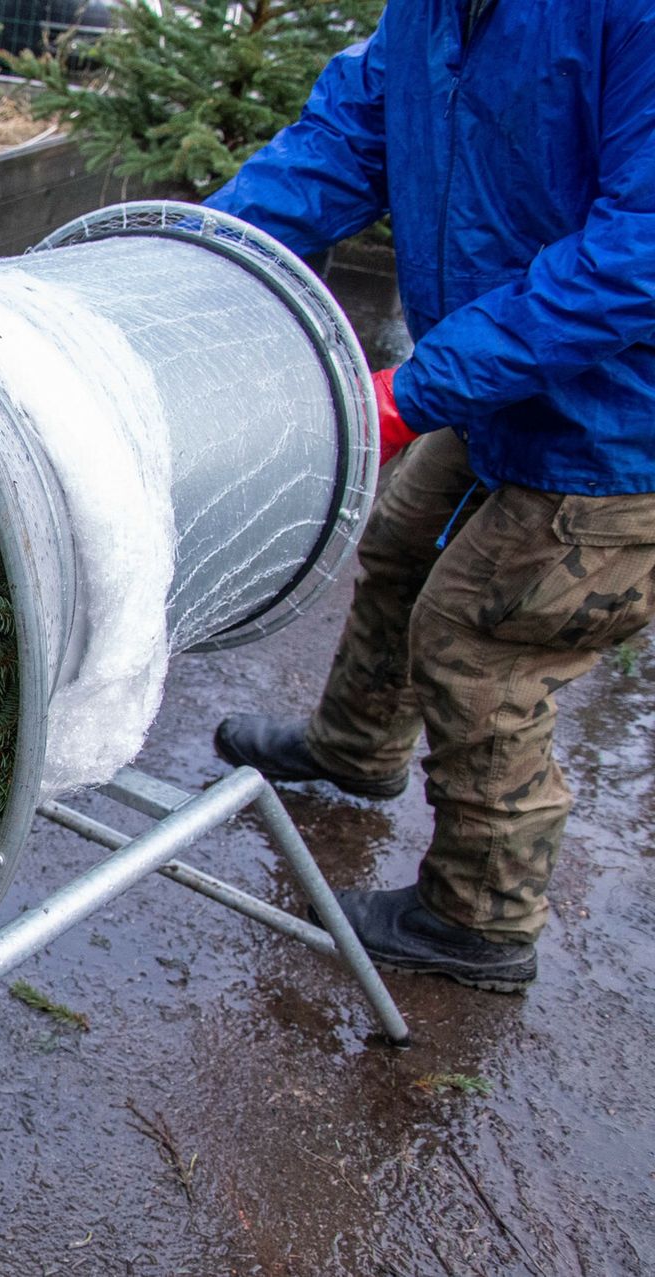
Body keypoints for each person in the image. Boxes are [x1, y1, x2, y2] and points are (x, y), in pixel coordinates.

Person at [204, 0, 655, 992]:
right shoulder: (433, 14)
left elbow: (640, 253)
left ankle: (479, 919)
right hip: (509, 384)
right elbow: (345, 144)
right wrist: (195, 254)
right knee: (403, 540)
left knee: (481, 638)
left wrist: (412, 391)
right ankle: (358, 745)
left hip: (621, 421)